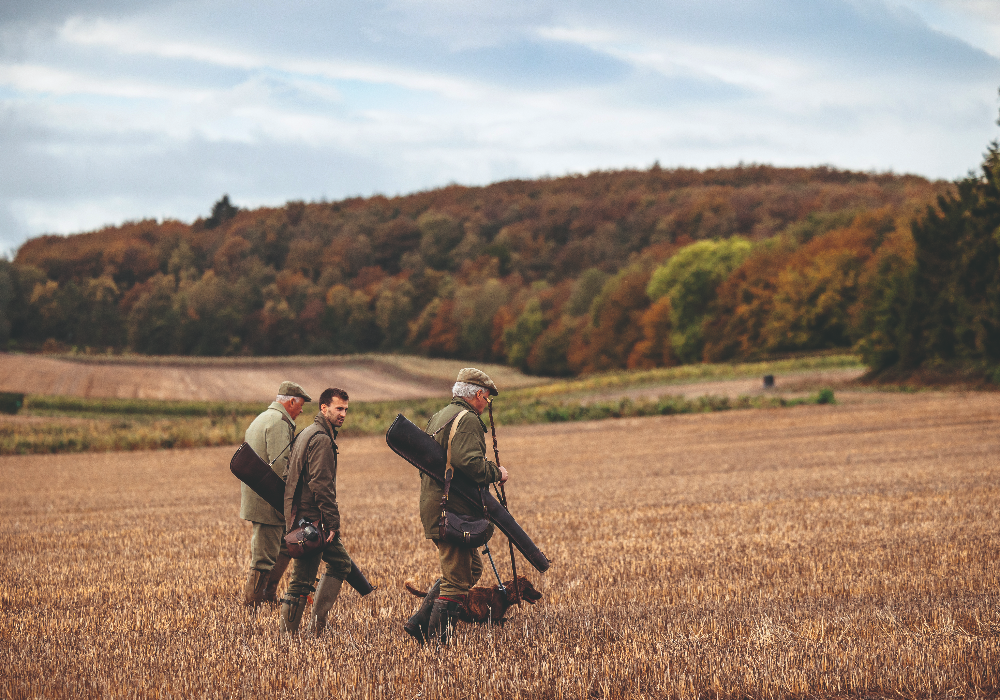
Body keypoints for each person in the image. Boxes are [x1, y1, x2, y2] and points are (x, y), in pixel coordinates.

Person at [404, 368, 509, 646]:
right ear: (477, 394)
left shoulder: (439, 417)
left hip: (436, 505)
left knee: (470, 570)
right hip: (451, 511)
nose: (487, 404)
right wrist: (496, 473)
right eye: (486, 398)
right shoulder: (468, 420)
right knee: (456, 577)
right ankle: (437, 641)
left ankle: (418, 623)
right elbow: (470, 463)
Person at [279, 387, 355, 635]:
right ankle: (299, 633)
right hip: (312, 521)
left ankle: (310, 628)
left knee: (338, 564)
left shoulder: (307, 433)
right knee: (304, 578)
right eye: (338, 408)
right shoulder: (321, 439)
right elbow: (321, 485)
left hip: (303, 516)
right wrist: (332, 523)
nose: (343, 413)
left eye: (345, 409)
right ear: (324, 408)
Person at [241, 381, 311, 607]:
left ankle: (268, 595)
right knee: (263, 557)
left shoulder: (262, 418)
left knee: (283, 546)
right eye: (300, 406)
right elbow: (281, 466)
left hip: (260, 497)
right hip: (269, 500)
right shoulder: (280, 423)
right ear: (291, 402)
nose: (301, 411)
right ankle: (252, 606)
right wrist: (296, 499)